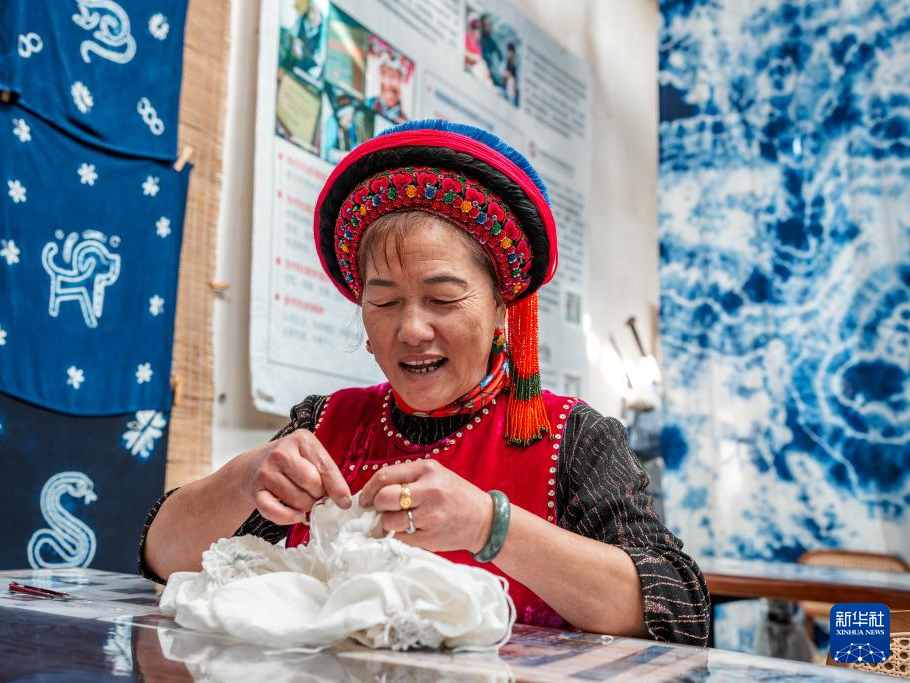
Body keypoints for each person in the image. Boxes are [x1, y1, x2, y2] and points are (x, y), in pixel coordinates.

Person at [139, 120, 710, 645]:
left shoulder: (573, 438)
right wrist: (244, 479)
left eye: (442, 299)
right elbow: (161, 560)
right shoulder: (324, 426)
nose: (411, 330)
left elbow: (680, 612)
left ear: (501, 310)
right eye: (384, 301)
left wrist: (490, 525)